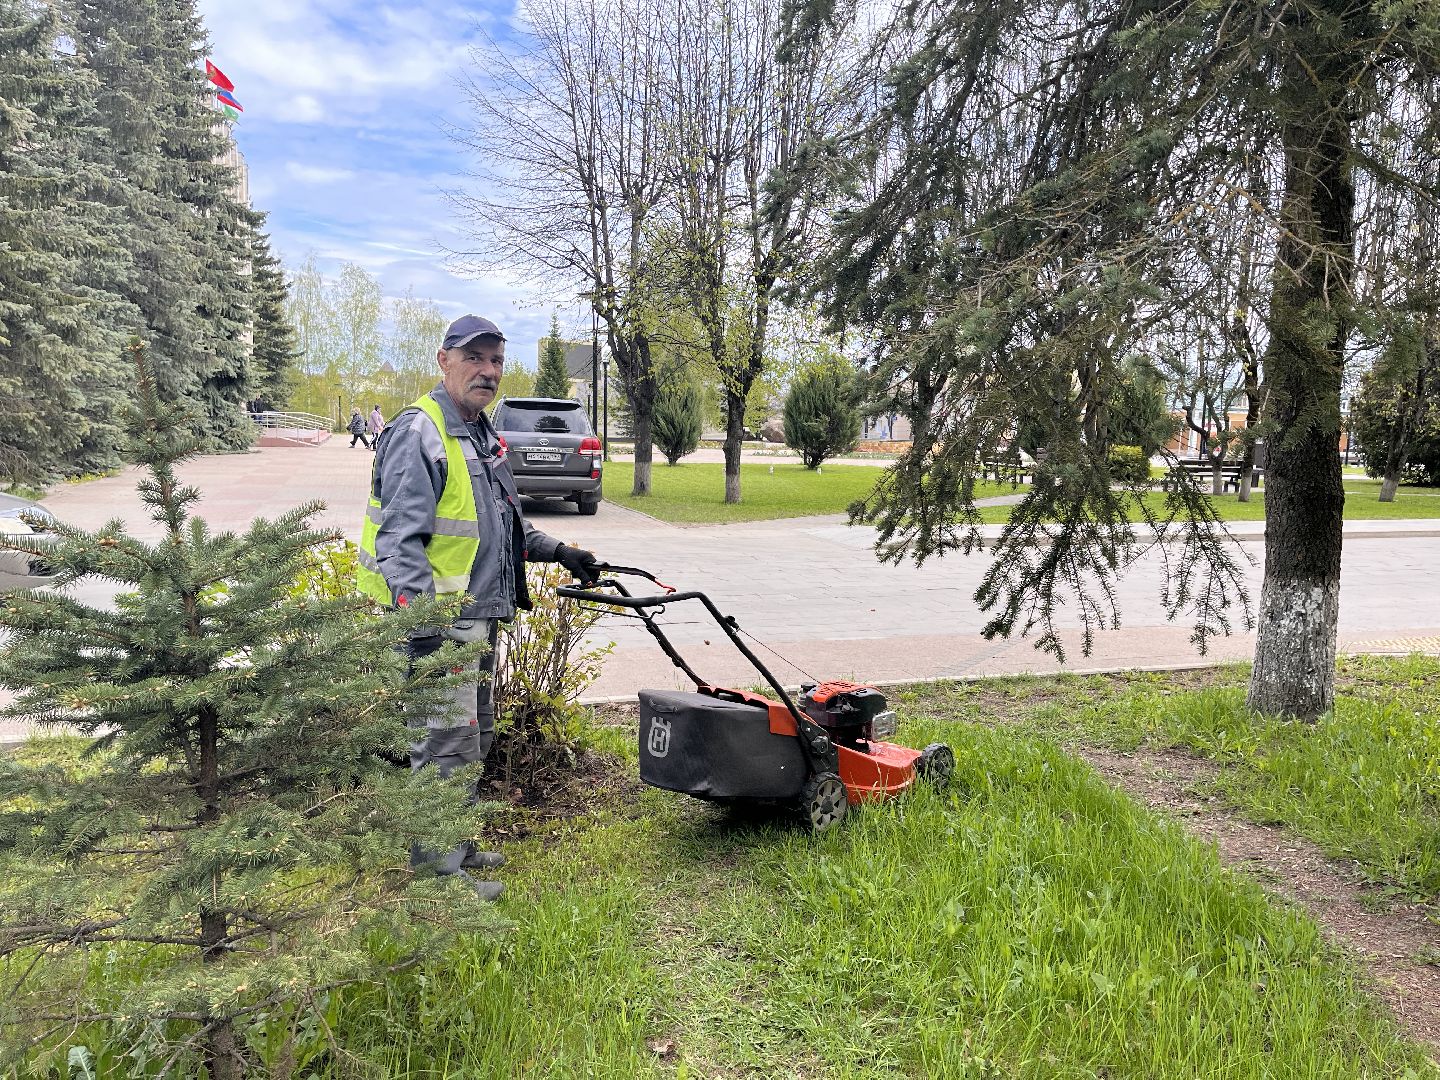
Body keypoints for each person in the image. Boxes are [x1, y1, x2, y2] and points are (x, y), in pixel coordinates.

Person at [357, 314, 605, 901]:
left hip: (476, 616)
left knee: (473, 737)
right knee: (444, 743)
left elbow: (501, 524)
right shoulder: (420, 433)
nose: (487, 371)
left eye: (496, 360)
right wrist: (421, 627)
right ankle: (439, 880)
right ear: (444, 360)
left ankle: (457, 846)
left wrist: (559, 551)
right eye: (474, 358)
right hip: (437, 625)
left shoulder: (480, 432)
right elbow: (400, 544)